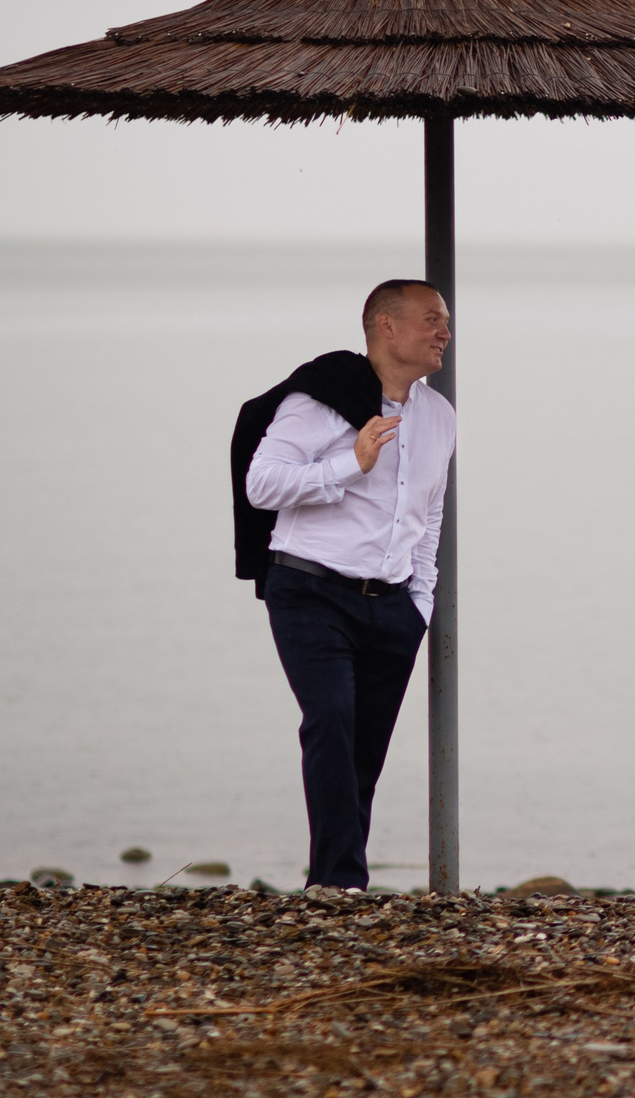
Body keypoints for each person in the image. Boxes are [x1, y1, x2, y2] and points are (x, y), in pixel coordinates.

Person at [229, 280, 454, 891]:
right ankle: (340, 885)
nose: (444, 333)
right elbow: (262, 484)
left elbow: (427, 516)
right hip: (308, 589)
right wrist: (349, 464)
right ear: (385, 325)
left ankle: (333, 885)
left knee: (364, 755)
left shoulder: (440, 416)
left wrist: (421, 604)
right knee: (329, 721)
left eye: (446, 322)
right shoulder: (321, 401)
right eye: (431, 319)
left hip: (393, 606)